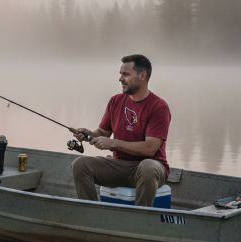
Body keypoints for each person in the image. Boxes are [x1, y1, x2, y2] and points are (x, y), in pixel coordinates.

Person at [70, 54, 171, 206]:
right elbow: (103, 133)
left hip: (151, 167)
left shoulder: (159, 107)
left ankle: (141, 219)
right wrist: (88, 134)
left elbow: (150, 149)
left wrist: (113, 143)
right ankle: (91, 214)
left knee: (148, 167)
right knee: (80, 165)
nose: (120, 78)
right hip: (119, 166)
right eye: (120, 74)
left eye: (125, 74)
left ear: (142, 76)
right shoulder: (115, 101)